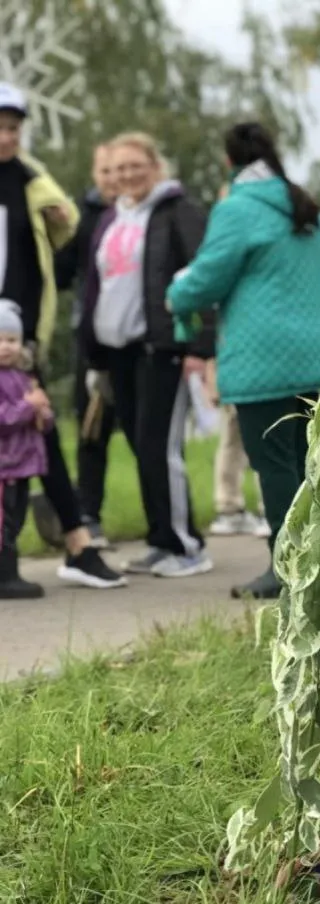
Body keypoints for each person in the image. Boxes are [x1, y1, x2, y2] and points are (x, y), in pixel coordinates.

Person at [166, 121, 320, 600]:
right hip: (317, 355)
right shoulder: (308, 208)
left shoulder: (237, 209)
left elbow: (207, 278)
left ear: (229, 161)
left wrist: (176, 294)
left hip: (264, 359)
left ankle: (287, 571)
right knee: (308, 464)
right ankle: (318, 567)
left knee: (276, 464)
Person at [0, 82, 125, 588]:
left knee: (39, 427)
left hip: (18, 336)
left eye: (13, 129)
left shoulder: (30, 179)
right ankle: (72, 542)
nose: (5, 137)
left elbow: (64, 227)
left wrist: (58, 218)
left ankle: (75, 540)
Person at [81, 132, 216, 578]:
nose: (126, 175)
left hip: (161, 347)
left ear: (155, 165)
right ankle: (161, 540)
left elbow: (203, 276)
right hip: (118, 352)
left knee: (161, 446)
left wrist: (199, 347)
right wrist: (94, 355)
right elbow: (96, 285)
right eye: (118, 168)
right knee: (143, 447)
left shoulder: (177, 211)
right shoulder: (111, 218)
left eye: (135, 165)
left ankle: (187, 545)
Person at [54, 142, 119, 548]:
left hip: (138, 340)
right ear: (96, 175)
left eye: (119, 170)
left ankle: (162, 526)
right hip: (92, 338)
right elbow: (60, 275)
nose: (114, 179)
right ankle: (89, 514)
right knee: (92, 427)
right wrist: (57, 232)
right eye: (105, 171)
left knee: (147, 435)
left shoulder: (147, 215)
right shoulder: (83, 216)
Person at [0, 299, 51, 598]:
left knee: (16, 519)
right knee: (3, 524)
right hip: (4, 467)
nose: (6, 346)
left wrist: (43, 414)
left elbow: (38, 418)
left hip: (21, 464)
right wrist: (26, 407)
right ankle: (7, 576)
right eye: (0, 340)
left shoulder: (22, 378)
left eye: (12, 340)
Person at [206, 357, 270, 538]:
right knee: (263, 440)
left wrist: (213, 378)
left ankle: (229, 509)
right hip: (255, 373)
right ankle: (269, 509)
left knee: (231, 442)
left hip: (230, 373)